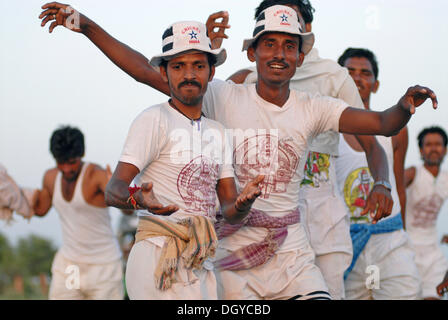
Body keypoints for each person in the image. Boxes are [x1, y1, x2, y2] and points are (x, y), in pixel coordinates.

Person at [39, 3, 438, 300]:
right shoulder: (222, 97)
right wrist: (88, 26)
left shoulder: (313, 107)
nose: (279, 53)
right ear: (252, 53)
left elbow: (381, 125)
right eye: (269, 44)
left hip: (291, 251)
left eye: (288, 46)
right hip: (229, 251)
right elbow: (147, 70)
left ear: (300, 57)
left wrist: (404, 106)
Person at [219, 0, 392, 299]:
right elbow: (198, 113)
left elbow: (371, 143)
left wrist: (382, 182)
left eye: (291, 23)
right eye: (271, 31)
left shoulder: (334, 76)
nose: (281, 34)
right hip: (260, 212)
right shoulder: (245, 79)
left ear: (306, 30)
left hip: (321, 210)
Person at [104, 20, 264, 300]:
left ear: (211, 72)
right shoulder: (153, 119)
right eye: (178, 66)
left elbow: (229, 209)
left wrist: (243, 203)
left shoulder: (218, 132)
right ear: (164, 73)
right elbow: (113, 190)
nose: (189, 74)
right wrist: (138, 199)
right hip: (157, 256)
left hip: (200, 260)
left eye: (198, 66)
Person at [336, 48, 421, 300]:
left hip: (389, 238)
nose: (357, 78)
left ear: (376, 84)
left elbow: (399, 189)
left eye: (365, 73)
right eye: (349, 72)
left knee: (407, 294)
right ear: (337, 78)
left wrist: (402, 231)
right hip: (346, 242)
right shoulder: (326, 132)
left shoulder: (396, 131)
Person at [32, 126, 126, 300]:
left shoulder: (96, 175)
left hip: (103, 267)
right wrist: (12, 194)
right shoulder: (50, 178)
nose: (66, 168)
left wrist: (120, 191)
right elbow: (39, 210)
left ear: (81, 155)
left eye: (71, 162)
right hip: (70, 266)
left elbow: (126, 211)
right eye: (61, 162)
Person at [405, 126, 448, 299]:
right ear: (421, 150)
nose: (433, 148)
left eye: (438, 144)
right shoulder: (413, 173)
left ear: (444, 149)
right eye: (428, 144)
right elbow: (392, 185)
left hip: (433, 253)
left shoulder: (446, 178)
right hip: (408, 248)